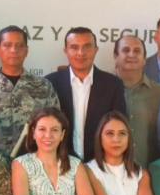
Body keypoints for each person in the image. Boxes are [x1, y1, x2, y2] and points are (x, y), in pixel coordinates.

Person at [0, 26, 59, 158]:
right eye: (7, 45)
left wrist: (30, 160)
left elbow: (54, 125)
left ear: (26, 51)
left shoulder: (44, 86)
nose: (14, 50)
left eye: (19, 46)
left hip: (33, 163)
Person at [43, 27, 126, 162]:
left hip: (100, 164)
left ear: (96, 50)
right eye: (74, 47)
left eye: (87, 47)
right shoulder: (50, 83)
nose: (81, 53)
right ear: (65, 51)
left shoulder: (113, 85)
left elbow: (119, 127)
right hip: (59, 162)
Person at [11, 107, 98, 195]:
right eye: (42, 129)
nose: (48, 135)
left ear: (62, 135)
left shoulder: (76, 164)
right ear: (33, 133)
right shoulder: (21, 164)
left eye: (55, 130)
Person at [85, 111, 159, 195]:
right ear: (99, 137)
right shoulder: (89, 170)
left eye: (122, 133)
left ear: (129, 138)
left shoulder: (141, 173)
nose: (116, 139)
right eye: (110, 133)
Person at [112, 34, 160, 165]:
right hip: (107, 171)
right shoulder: (100, 90)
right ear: (115, 56)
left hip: (150, 170)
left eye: (137, 51)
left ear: (144, 59)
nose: (131, 55)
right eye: (126, 50)